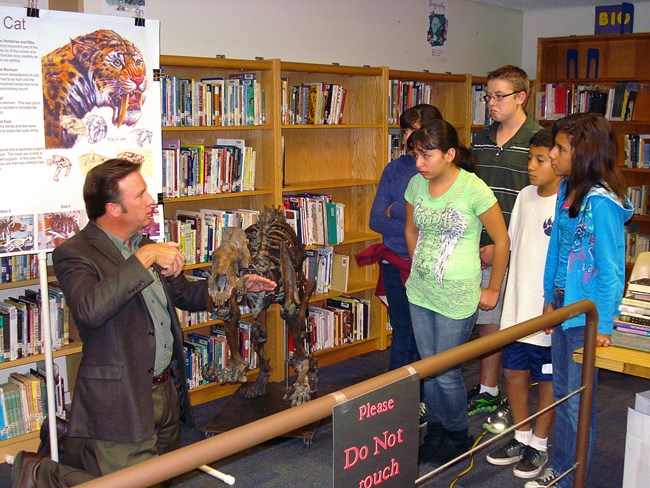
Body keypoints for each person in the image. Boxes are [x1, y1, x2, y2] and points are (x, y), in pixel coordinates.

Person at [11, 159, 276, 487]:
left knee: (163, 476)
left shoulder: (144, 244)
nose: (151, 200)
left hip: (165, 390)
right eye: (140, 195)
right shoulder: (75, 253)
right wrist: (143, 259)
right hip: (120, 402)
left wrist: (237, 286)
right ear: (113, 209)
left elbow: (186, 295)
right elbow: (90, 309)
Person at [525, 113, 633, 488]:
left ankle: (571, 471)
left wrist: (603, 324)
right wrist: (548, 298)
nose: (552, 154)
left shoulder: (602, 202)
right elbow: (557, 247)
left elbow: (611, 268)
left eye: (560, 148)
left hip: (585, 315)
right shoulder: (566, 187)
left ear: (584, 153)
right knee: (561, 393)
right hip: (562, 302)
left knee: (576, 400)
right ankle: (561, 461)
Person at [403, 119, 509, 464]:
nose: (419, 163)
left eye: (426, 155)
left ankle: (456, 433)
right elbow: (410, 229)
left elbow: (502, 239)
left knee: (446, 371)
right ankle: (435, 430)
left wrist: (492, 287)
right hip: (420, 291)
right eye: (416, 155)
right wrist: (420, 264)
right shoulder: (417, 185)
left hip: (459, 292)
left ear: (449, 154)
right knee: (428, 366)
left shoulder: (473, 188)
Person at [485, 128, 560, 480]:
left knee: (546, 378)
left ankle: (539, 445)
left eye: (540, 160)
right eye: (530, 158)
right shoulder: (526, 196)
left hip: (544, 311)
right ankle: (521, 435)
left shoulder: (568, 204)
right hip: (517, 308)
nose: (531, 166)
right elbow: (511, 244)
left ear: (559, 162)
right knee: (514, 373)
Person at [468, 65, 542, 416]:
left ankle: (519, 397)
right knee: (489, 320)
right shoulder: (480, 138)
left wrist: (503, 246)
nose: (492, 104)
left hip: (522, 247)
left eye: (500, 96)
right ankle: (488, 388)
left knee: (521, 323)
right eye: (488, 97)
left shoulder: (538, 142)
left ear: (521, 97)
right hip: (478, 245)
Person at [367, 103, 443, 372]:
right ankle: (397, 399)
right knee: (402, 333)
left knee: (428, 338)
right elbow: (375, 219)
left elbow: (439, 223)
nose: (411, 136)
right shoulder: (394, 169)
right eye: (407, 129)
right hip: (396, 262)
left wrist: (398, 209)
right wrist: (414, 221)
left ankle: (426, 400)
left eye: (418, 130)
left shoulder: (441, 170)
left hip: (432, 266)